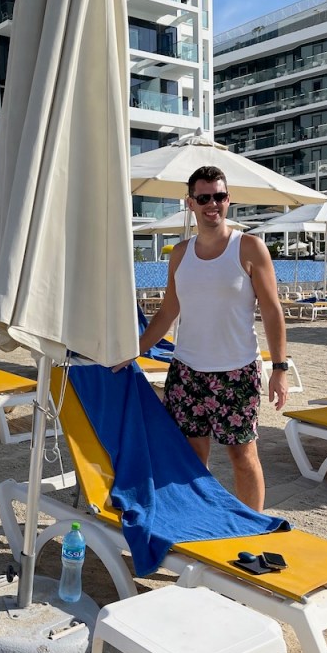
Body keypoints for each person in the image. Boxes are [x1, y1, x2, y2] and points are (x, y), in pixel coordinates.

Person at [120, 165, 289, 512]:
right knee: (191, 457)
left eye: (219, 196)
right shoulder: (180, 254)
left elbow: (272, 311)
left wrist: (280, 368)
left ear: (228, 199)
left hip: (236, 372)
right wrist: (132, 351)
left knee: (243, 456)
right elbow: (168, 312)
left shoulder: (250, 248)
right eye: (204, 198)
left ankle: (253, 527)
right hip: (187, 372)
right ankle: (200, 519)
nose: (213, 204)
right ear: (190, 203)